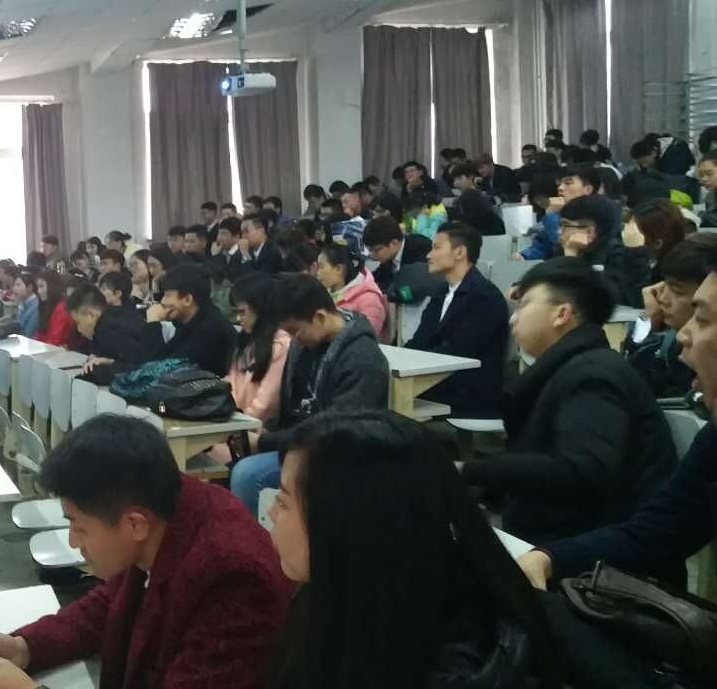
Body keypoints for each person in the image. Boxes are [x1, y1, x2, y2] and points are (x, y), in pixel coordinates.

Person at [0, 415, 292, 689]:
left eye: (78, 526)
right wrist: (25, 648)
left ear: (134, 525)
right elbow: (109, 604)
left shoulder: (232, 579)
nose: (72, 542)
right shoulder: (159, 508)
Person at [264, 411, 564, 689]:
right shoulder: (345, 591)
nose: (271, 512)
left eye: (283, 501)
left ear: (348, 523)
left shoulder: (459, 668)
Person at [514, 245, 717, 593]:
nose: (683, 334)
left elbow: (580, 472)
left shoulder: (593, 374)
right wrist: (550, 558)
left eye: (701, 318)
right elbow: (655, 533)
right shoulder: (713, 440)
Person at [460, 258, 677, 545]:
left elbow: (581, 471)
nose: (513, 318)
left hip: (591, 554)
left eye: (524, 305)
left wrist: (471, 472)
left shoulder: (593, 374)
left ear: (561, 314)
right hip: (563, 536)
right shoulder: (571, 367)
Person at [228, 274, 389, 514]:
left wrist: (265, 442)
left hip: (336, 455)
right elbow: (291, 411)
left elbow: (337, 429)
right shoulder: (303, 346)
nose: (293, 339)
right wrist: (266, 433)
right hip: (301, 443)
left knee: (248, 475)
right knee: (232, 460)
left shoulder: (362, 358)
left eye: (296, 331)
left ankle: (262, 538)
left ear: (320, 317)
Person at [406, 222, 510, 418]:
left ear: (460, 252)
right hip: (439, 381)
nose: (428, 255)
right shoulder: (440, 292)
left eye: (436, 248)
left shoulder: (485, 296)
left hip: (468, 391)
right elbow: (419, 341)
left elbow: (459, 352)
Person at [622, 235, 717, 397]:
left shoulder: (704, 354)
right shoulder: (672, 342)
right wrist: (646, 324)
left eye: (677, 291)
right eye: (664, 284)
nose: (661, 298)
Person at [222, 273, 292, 429]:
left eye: (242, 312)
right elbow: (231, 382)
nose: (238, 319)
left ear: (260, 308)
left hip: (255, 429)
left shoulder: (281, 345)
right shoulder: (246, 341)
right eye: (236, 313)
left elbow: (266, 404)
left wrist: (234, 426)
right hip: (233, 421)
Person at [142, 263, 236, 376]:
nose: (163, 301)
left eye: (167, 295)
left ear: (187, 300)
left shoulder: (212, 330)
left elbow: (159, 370)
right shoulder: (189, 322)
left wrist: (153, 324)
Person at [559, 195, 651, 308]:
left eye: (565, 225)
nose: (559, 231)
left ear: (589, 231)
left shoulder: (617, 255)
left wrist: (570, 255)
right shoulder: (572, 248)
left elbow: (593, 298)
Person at [68, 283, 162, 383]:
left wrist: (109, 364)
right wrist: (104, 359)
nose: (78, 329)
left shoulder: (108, 329)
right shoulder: (108, 319)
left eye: (78, 322)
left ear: (91, 315)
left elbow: (138, 366)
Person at [315, 243, 385, 335]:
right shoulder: (323, 293)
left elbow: (367, 337)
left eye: (321, 267)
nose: (317, 272)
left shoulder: (369, 300)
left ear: (339, 269)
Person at [622, 199, 688, 283]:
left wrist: (635, 254)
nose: (626, 235)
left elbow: (636, 289)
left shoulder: (670, 276)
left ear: (657, 243)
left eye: (634, 233)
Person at [363, 216, 431, 294]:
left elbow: (415, 289)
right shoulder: (389, 256)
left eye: (376, 250)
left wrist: (390, 296)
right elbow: (377, 276)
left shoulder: (421, 249)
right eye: (370, 250)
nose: (372, 255)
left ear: (394, 243)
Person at [518, 174, 562, 260]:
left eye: (542, 199)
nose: (539, 203)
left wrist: (551, 215)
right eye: (537, 200)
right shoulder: (545, 214)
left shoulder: (555, 214)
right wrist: (524, 255)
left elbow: (559, 244)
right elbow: (544, 244)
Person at [33, 271, 80, 347]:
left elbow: (55, 341)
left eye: (41, 286)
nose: (38, 291)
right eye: (37, 287)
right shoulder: (47, 305)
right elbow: (39, 335)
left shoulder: (62, 308)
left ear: (52, 286)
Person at [331, 188, 367, 255]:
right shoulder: (340, 220)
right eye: (342, 202)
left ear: (356, 200)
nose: (343, 205)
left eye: (346, 201)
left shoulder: (368, 217)